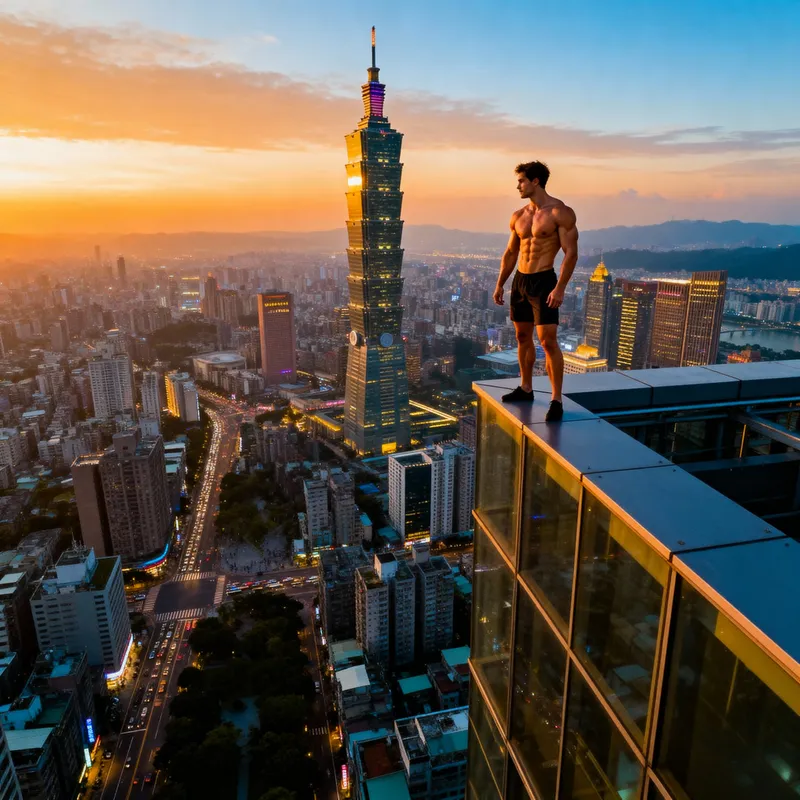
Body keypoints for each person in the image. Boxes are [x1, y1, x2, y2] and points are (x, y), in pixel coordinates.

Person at [493, 161, 578, 421]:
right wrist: (500, 283)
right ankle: (526, 387)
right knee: (521, 337)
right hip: (520, 279)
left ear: (536, 181)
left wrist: (560, 287)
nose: (517, 185)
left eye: (521, 180)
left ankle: (556, 399)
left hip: (544, 281)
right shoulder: (518, 216)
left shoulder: (560, 213)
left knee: (548, 341)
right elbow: (510, 252)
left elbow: (571, 253)